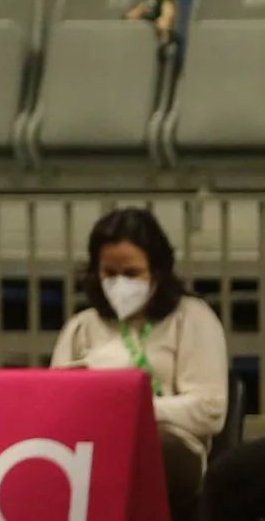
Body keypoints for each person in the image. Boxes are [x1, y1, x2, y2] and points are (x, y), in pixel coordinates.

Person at [51, 207, 228, 521]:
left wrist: (133, 407)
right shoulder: (82, 326)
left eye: (131, 274)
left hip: (169, 444)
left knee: (141, 453)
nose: (120, 283)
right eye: (110, 273)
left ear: (157, 272)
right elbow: (53, 404)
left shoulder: (191, 317)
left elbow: (210, 410)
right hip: (92, 444)